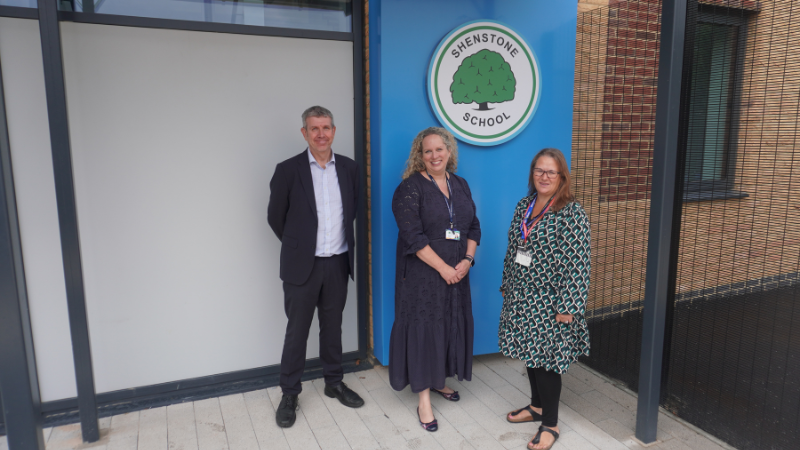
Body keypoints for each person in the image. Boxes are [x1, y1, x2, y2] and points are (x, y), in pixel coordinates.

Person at [267, 106, 364, 428]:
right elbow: (275, 217)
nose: (321, 134)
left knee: (332, 327)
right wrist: (300, 246)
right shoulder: (288, 170)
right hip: (301, 267)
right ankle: (290, 392)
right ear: (304, 133)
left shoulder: (349, 169)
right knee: (297, 332)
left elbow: (352, 213)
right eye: (314, 128)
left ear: (334, 131)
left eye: (326, 127)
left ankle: (334, 382)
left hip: (337, 261)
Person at [498, 148, 591, 450]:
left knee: (547, 361)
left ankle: (550, 424)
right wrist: (507, 284)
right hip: (522, 295)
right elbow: (514, 247)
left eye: (551, 171)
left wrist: (568, 306)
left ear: (562, 176)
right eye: (539, 170)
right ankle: (536, 406)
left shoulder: (571, 211)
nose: (544, 176)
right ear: (532, 173)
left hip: (551, 302)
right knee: (530, 354)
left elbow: (578, 262)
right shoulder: (524, 204)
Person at [389, 127, 481, 432]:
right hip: (422, 277)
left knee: (447, 324)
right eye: (427, 151)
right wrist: (444, 268)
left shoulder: (461, 184)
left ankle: (439, 380)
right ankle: (424, 399)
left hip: (457, 274)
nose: (434, 155)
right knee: (425, 329)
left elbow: (473, 228)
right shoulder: (410, 188)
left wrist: (467, 261)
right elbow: (412, 237)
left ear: (449, 152)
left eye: (439, 149)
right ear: (420, 155)